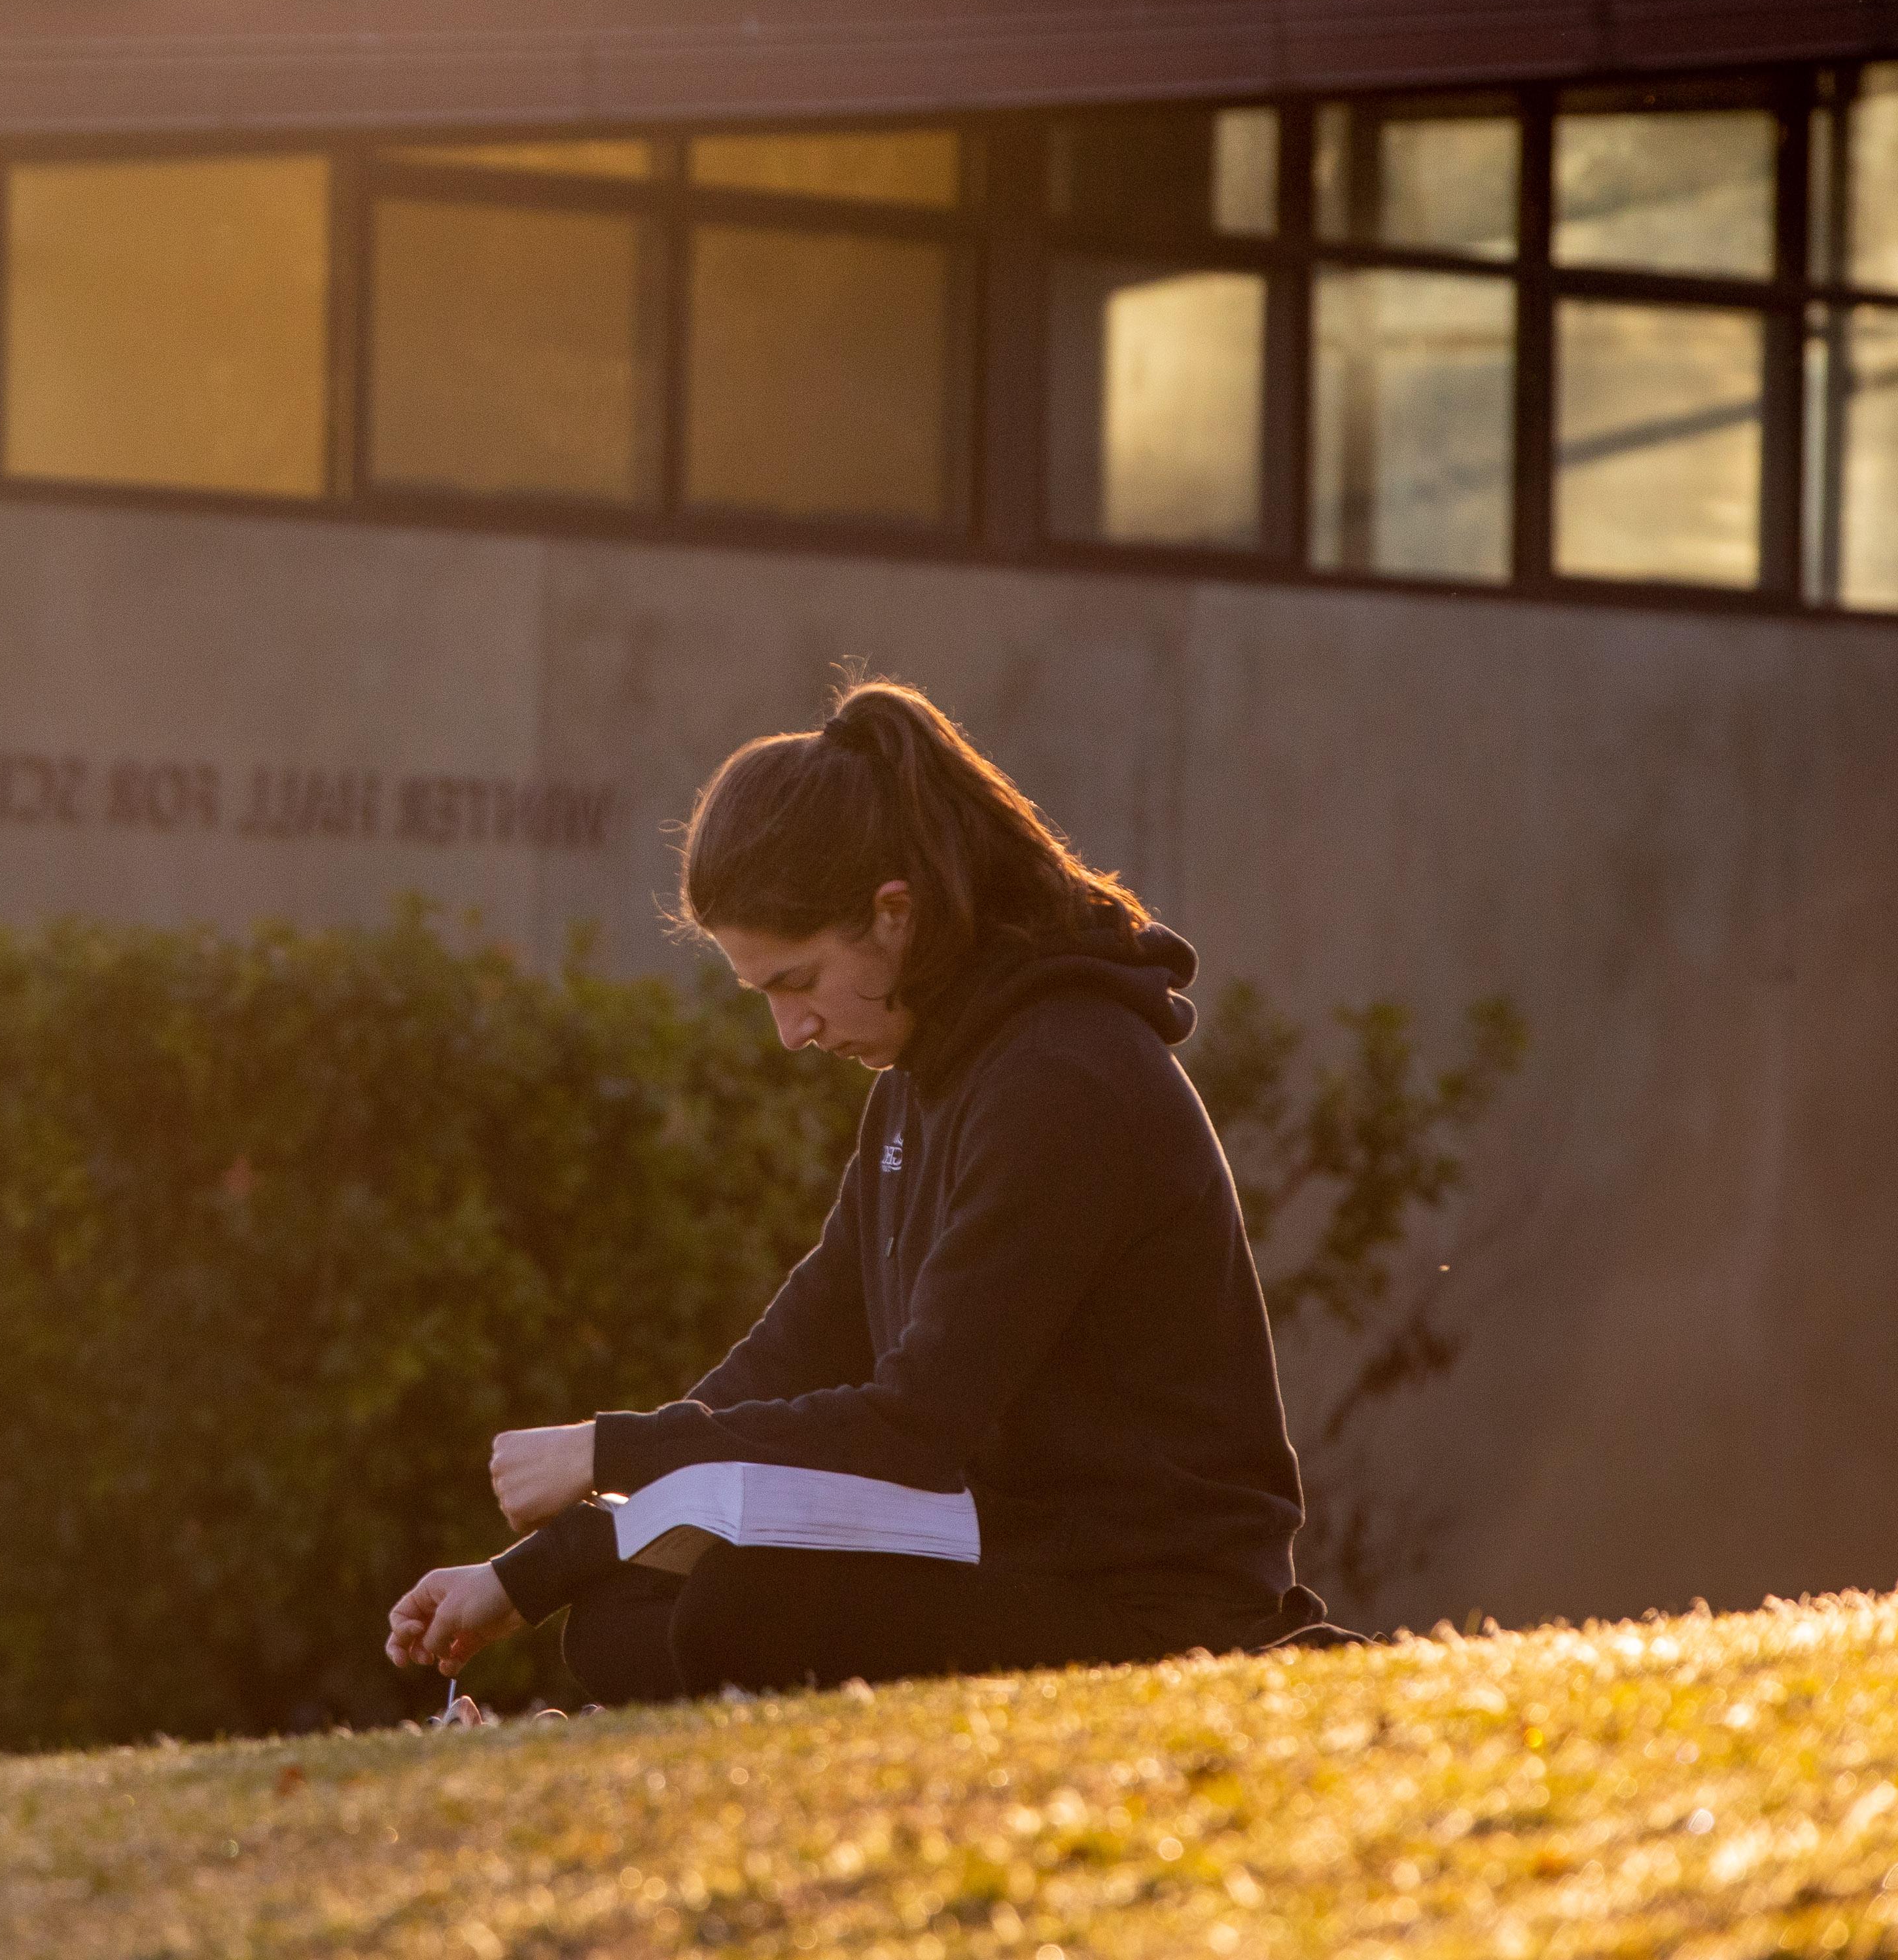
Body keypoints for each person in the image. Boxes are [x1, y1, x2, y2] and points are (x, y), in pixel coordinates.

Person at [385, 675, 1329, 1705]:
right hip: (999, 1559)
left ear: (893, 916)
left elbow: (915, 1428)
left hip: (1149, 1601)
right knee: (614, 1622)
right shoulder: (919, 1084)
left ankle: (700, 1710)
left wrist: (613, 1448)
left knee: (744, 1603)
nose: (792, 1034)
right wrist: (533, 1572)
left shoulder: (1067, 1079)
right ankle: (671, 1707)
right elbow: (796, 1350)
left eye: (796, 983)